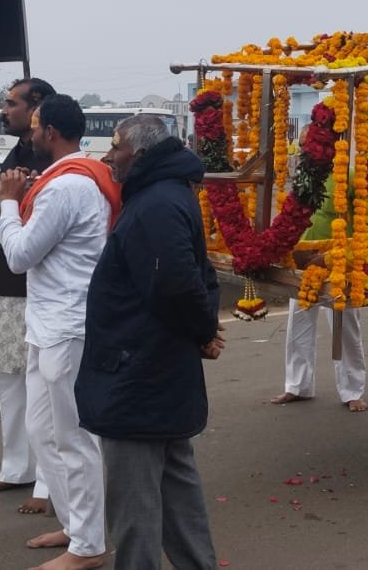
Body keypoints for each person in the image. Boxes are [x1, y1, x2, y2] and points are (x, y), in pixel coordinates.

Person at [78, 115, 224, 569]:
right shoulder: (164, 195)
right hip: (157, 376)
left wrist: (203, 332)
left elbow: (177, 282)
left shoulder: (157, 203)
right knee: (178, 496)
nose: (108, 156)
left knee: (136, 512)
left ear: (139, 155)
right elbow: (193, 279)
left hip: (138, 379)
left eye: (115, 147)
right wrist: (202, 330)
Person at [0, 95, 121, 570]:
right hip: (46, 322)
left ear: (49, 133)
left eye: (33, 127)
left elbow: (21, 255)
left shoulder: (66, 186)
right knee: (41, 429)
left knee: (73, 437)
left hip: (67, 323)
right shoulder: (68, 179)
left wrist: (8, 205)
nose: (28, 135)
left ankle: (88, 547)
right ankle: (75, 526)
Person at [0, 77, 56, 516]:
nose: (4, 110)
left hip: (42, 283)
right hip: (10, 277)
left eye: (11, 103)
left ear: (38, 108)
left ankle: (48, 482)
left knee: (42, 385)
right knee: (8, 376)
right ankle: (16, 468)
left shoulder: (50, 156)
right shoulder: (18, 153)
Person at [271, 175, 367, 413]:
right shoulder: (307, 174)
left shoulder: (351, 175)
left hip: (339, 260)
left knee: (345, 327)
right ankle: (297, 386)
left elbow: (366, 220)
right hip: (304, 256)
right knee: (299, 323)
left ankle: (353, 391)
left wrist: (341, 256)